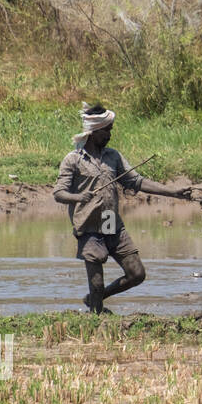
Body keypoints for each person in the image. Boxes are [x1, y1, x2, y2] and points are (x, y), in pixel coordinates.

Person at [52, 102, 191, 313]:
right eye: (106, 130)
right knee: (96, 282)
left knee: (137, 274)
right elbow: (58, 193)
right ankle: (96, 318)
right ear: (94, 131)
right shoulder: (73, 160)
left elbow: (137, 182)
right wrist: (79, 197)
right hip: (88, 226)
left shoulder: (113, 157)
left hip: (110, 221)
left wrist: (173, 192)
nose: (110, 134)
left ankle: (94, 300)